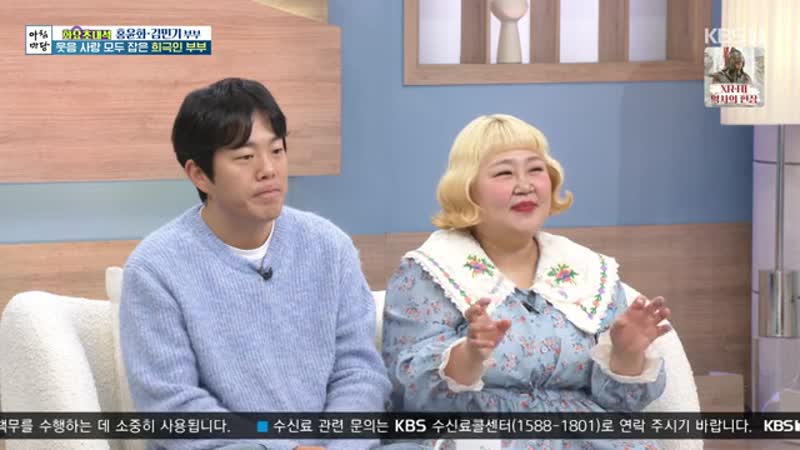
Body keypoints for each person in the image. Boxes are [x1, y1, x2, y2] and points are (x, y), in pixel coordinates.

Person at [119, 78, 391, 450]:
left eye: (277, 150)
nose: (268, 169)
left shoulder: (330, 246)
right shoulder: (155, 269)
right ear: (199, 174)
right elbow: (174, 406)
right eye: (245, 157)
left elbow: (359, 371)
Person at [381, 114, 672, 450]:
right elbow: (410, 396)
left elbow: (619, 404)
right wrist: (468, 356)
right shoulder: (429, 271)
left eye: (535, 169)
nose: (525, 185)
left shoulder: (589, 272)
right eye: (504, 173)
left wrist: (626, 355)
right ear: (467, 189)